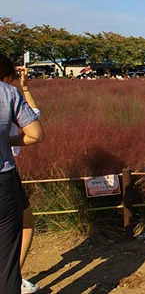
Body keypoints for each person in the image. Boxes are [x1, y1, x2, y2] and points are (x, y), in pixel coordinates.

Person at [0, 54, 44, 294]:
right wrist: (7, 142)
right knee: (7, 264)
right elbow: (36, 132)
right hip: (3, 180)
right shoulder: (7, 93)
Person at [10, 67, 41, 294]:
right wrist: (25, 87)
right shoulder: (7, 96)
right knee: (25, 225)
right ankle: (13, 278)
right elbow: (34, 119)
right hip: (5, 174)